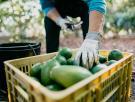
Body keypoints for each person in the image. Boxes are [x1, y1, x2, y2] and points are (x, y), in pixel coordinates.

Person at [39, 0, 106, 69]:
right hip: (60, 8)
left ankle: (91, 57)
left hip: (83, 6)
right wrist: (59, 21)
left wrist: (92, 38)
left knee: (90, 18)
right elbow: (47, 6)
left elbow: (96, 1)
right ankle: (51, 61)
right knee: (49, 21)